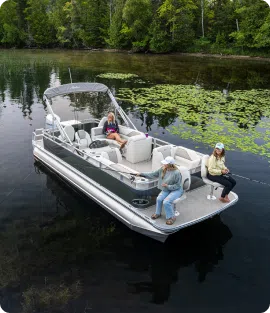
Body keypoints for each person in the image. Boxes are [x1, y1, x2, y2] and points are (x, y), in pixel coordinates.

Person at [137, 156, 182, 225]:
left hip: (176, 190)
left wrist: (168, 186)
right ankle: (158, 213)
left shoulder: (177, 173)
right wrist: (141, 174)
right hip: (167, 189)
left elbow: (178, 185)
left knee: (166, 202)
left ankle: (172, 217)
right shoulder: (162, 169)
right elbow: (153, 174)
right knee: (159, 199)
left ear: (170, 164)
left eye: (165, 163)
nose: (164, 164)